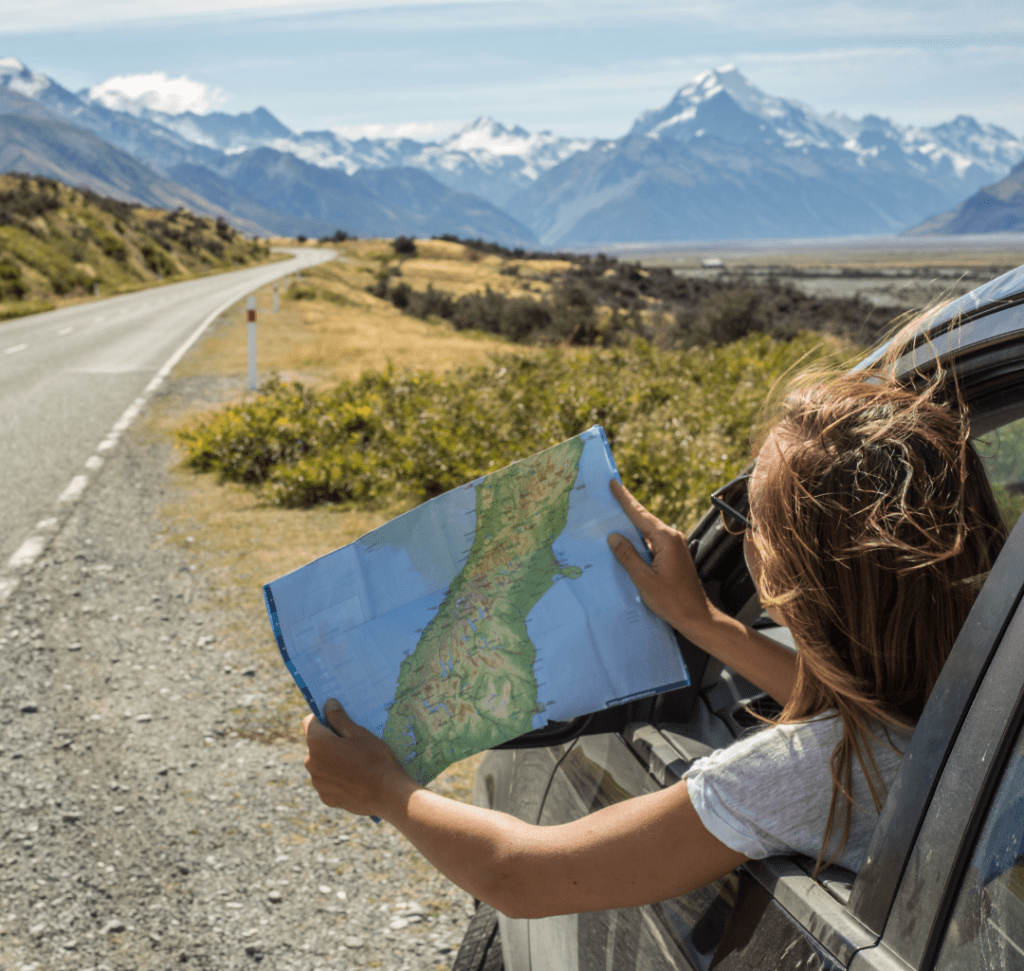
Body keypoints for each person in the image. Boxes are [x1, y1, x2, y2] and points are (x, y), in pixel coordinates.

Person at [301, 347, 1007, 920]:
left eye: (747, 514)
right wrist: (701, 621)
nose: (739, 532)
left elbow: (518, 875)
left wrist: (384, 790)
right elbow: (878, 707)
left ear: (792, 573)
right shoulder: (990, 684)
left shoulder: (811, 774)